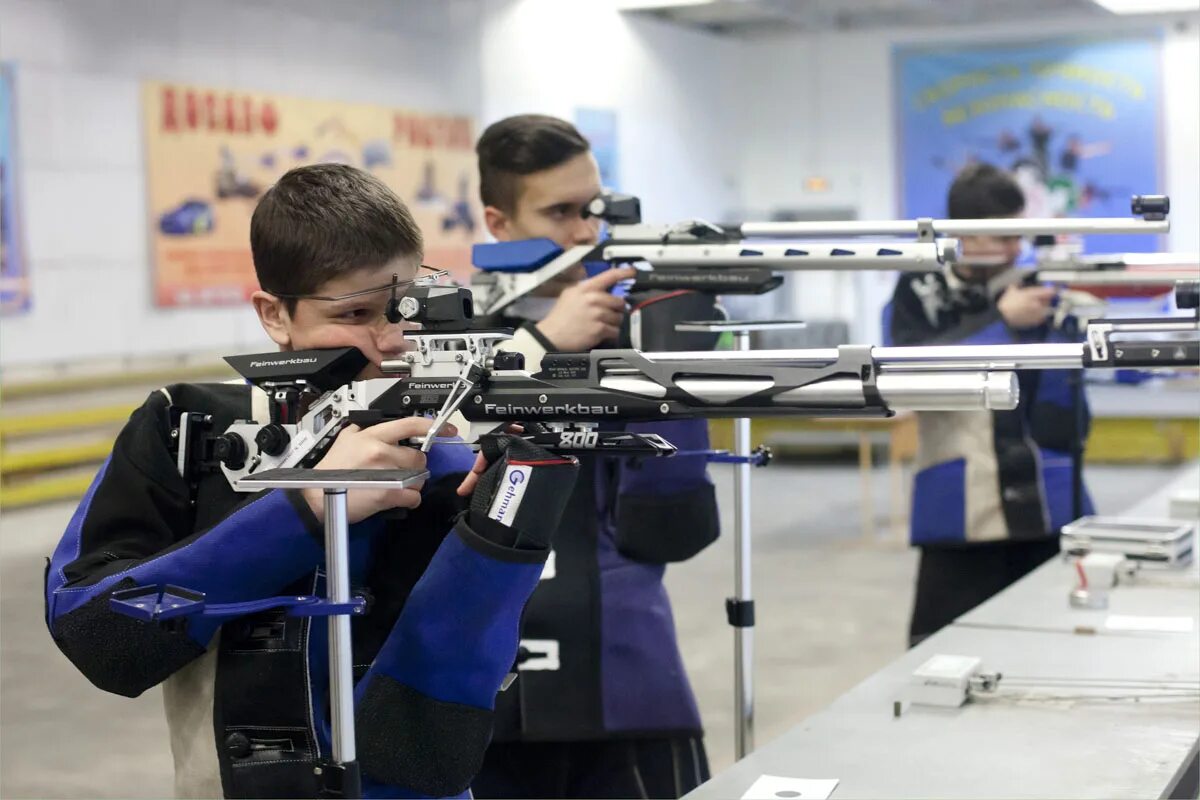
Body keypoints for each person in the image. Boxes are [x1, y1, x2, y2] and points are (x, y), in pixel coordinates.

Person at [44, 163, 580, 799]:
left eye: (407, 307)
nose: (392, 340)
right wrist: (306, 511)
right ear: (275, 315)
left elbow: (433, 731)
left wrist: (503, 525)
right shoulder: (188, 428)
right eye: (355, 312)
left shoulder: (451, 441)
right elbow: (97, 636)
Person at [469, 114, 718, 799]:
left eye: (594, 208)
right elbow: (435, 448)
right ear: (499, 222)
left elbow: (676, 528)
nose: (585, 231)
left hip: (623, 679)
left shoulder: (640, 328)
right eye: (559, 212)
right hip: (481, 697)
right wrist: (546, 342)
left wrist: (672, 366)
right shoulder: (448, 331)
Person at [883, 162, 1094, 647]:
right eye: (1001, 237)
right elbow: (905, 374)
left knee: (1057, 648)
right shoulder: (919, 287)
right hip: (963, 497)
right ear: (965, 234)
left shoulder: (1037, 281)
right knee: (940, 650)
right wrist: (999, 321)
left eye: (1018, 234)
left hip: (1047, 494)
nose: (1014, 249)